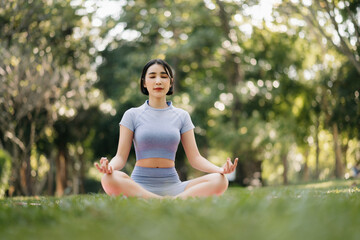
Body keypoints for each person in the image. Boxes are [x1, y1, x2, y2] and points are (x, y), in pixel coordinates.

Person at [94, 59, 238, 199]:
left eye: (164, 76)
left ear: (170, 82)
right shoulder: (132, 115)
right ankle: (166, 201)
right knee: (108, 178)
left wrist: (220, 170)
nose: (158, 81)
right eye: (152, 76)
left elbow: (195, 158)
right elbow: (120, 157)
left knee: (220, 180)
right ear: (144, 82)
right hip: (139, 185)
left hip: (173, 186)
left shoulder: (182, 116)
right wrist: (110, 167)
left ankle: (160, 200)